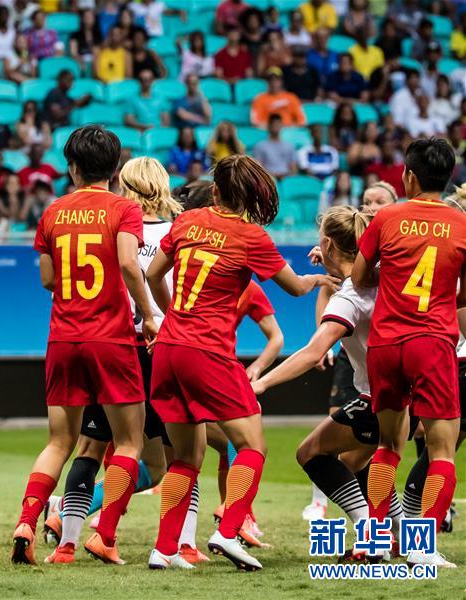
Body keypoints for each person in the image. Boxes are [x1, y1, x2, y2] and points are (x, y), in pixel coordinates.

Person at [144, 155, 336, 571]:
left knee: (185, 457)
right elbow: (294, 289)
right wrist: (319, 280)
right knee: (253, 445)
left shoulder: (186, 222)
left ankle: (164, 548)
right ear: (250, 198)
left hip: (169, 348)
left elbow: (153, 273)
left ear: (215, 192)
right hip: (208, 352)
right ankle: (228, 533)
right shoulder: (251, 237)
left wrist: (170, 315)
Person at [11, 126, 157, 566]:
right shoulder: (124, 209)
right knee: (130, 442)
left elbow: (48, 280)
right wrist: (149, 313)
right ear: (115, 169)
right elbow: (131, 263)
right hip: (110, 339)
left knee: (60, 442)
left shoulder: (52, 212)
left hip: (63, 338)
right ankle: (105, 535)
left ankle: (25, 521)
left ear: (72, 168)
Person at [45, 156, 182, 565]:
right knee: (180, 453)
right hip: (151, 348)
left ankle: (71, 523)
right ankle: (176, 542)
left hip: (113, 343)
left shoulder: (105, 222)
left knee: (104, 448)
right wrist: (160, 319)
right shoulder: (174, 231)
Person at [251, 206, 412, 552]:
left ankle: (371, 532)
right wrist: (330, 260)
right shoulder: (387, 275)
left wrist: (262, 383)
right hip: (406, 394)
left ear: (327, 243)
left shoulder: (350, 298)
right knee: (355, 462)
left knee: (310, 453)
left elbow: (312, 352)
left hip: (377, 398)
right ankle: (403, 536)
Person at [351, 138, 465, 567]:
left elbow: (361, 278)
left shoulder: (388, 217)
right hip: (431, 342)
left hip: (385, 343)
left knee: (387, 445)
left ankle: (376, 542)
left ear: (410, 176)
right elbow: (464, 296)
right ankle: (423, 547)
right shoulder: (461, 224)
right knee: (441, 450)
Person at [253, 114, 297, 178]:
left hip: (286, 178)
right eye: (274, 124)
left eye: (278, 124)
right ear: (269, 126)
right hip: (268, 179)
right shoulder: (260, 146)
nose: (276, 126)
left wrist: (288, 175)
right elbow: (258, 168)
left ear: (282, 125)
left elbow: (294, 168)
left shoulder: (289, 146)